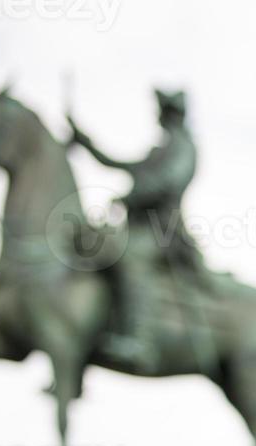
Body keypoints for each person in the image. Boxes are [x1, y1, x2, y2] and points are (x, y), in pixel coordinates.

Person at [67, 88, 204, 374]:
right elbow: (118, 163)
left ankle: (139, 339)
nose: (161, 118)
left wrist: (131, 197)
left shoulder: (184, 146)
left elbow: (169, 181)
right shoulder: (160, 150)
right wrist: (85, 142)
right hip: (137, 228)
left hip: (162, 233)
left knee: (131, 258)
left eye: (165, 112)